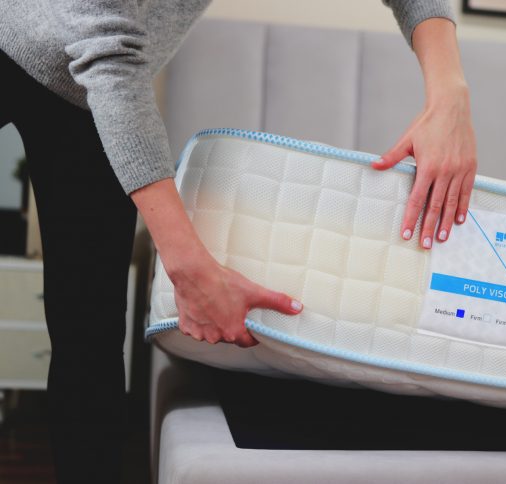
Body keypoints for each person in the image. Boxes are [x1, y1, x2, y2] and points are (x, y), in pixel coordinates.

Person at [0, 0, 476, 482]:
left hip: (88, 94)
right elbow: (102, 37)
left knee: (90, 347)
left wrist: (450, 95)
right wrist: (190, 269)